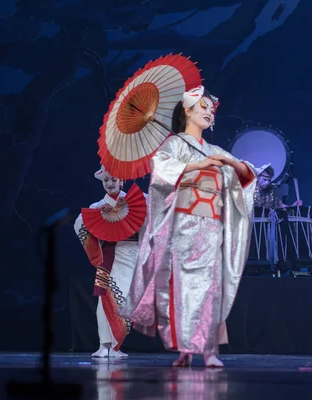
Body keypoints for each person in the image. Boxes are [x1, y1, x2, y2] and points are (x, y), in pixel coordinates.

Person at [120, 85, 256, 368]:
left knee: (211, 287)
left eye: (211, 109)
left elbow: (244, 178)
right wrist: (199, 165)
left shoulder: (216, 149)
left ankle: (208, 351)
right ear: (188, 110)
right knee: (182, 287)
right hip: (184, 224)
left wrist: (231, 162)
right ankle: (185, 348)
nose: (210, 112)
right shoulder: (175, 144)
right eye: (203, 107)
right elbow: (161, 172)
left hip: (212, 225)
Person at [74, 166, 144, 358]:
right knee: (104, 298)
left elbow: (153, 216)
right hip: (109, 256)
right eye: (106, 181)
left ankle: (115, 347)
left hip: (132, 254)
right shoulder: (98, 206)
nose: (110, 183)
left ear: (122, 181)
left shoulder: (136, 201)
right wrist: (101, 216)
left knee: (125, 301)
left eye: (113, 179)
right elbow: (81, 222)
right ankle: (104, 345)